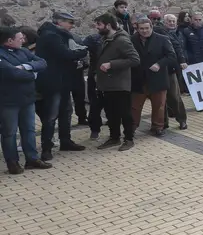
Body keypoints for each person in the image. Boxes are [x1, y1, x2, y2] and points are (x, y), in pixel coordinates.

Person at [35, 12, 89, 160]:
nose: (72, 26)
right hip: (53, 83)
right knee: (51, 116)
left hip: (63, 81)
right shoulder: (51, 36)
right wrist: (84, 50)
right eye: (70, 23)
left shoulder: (57, 35)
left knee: (66, 113)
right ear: (60, 22)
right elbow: (65, 54)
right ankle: (47, 148)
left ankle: (65, 141)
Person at [0, 27, 51, 174]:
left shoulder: (23, 51)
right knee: (9, 133)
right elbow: (11, 73)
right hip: (8, 101)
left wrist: (25, 66)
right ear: (9, 41)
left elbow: (42, 62)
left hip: (27, 99)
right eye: (19, 38)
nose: (23, 40)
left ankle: (32, 158)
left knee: (29, 130)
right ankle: (12, 162)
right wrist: (33, 75)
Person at [93, 14, 140, 151]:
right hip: (106, 84)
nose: (97, 27)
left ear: (108, 25)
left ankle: (129, 139)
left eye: (99, 25)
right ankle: (114, 137)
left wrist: (111, 64)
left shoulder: (122, 40)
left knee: (125, 113)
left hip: (120, 84)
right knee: (111, 113)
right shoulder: (105, 39)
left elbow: (135, 59)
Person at [129, 17, 176, 137]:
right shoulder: (131, 40)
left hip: (157, 78)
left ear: (151, 27)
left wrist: (159, 64)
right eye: (141, 29)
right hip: (138, 79)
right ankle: (132, 127)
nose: (144, 31)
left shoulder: (162, 39)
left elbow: (171, 56)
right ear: (137, 29)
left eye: (146, 28)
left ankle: (157, 127)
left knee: (159, 105)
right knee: (135, 106)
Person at [160, 14, 188, 130]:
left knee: (175, 96)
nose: (171, 23)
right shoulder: (161, 32)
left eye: (173, 21)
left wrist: (182, 60)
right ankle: (163, 122)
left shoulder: (178, 33)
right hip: (160, 69)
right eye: (169, 21)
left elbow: (178, 48)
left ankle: (182, 119)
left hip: (172, 69)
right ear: (164, 22)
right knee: (161, 99)